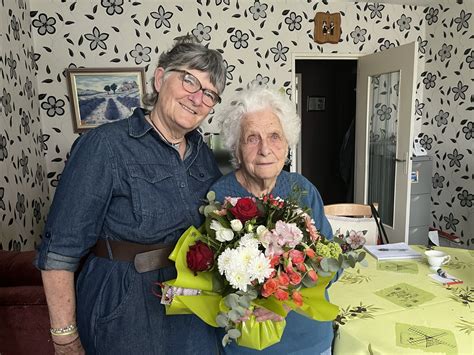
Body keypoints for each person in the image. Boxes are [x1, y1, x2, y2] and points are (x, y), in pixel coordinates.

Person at [35, 36, 227, 354]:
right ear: (160, 77)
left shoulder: (204, 155)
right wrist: (65, 337)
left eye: (210, 94)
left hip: (194, 308)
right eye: (190, 80)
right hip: (126, 309)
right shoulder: (104, 146)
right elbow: (59, 251)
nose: (198, 98)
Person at [210, 86, 334, 355]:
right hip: (247, 345)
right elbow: (207, 280)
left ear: (287, 144)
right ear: (237, 149)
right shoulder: (217, 197)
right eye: (252, 138)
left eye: (274, 136)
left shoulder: (303, 189)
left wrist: (286, 300)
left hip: (309, 341)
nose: (265, 149)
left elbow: (332, 265)